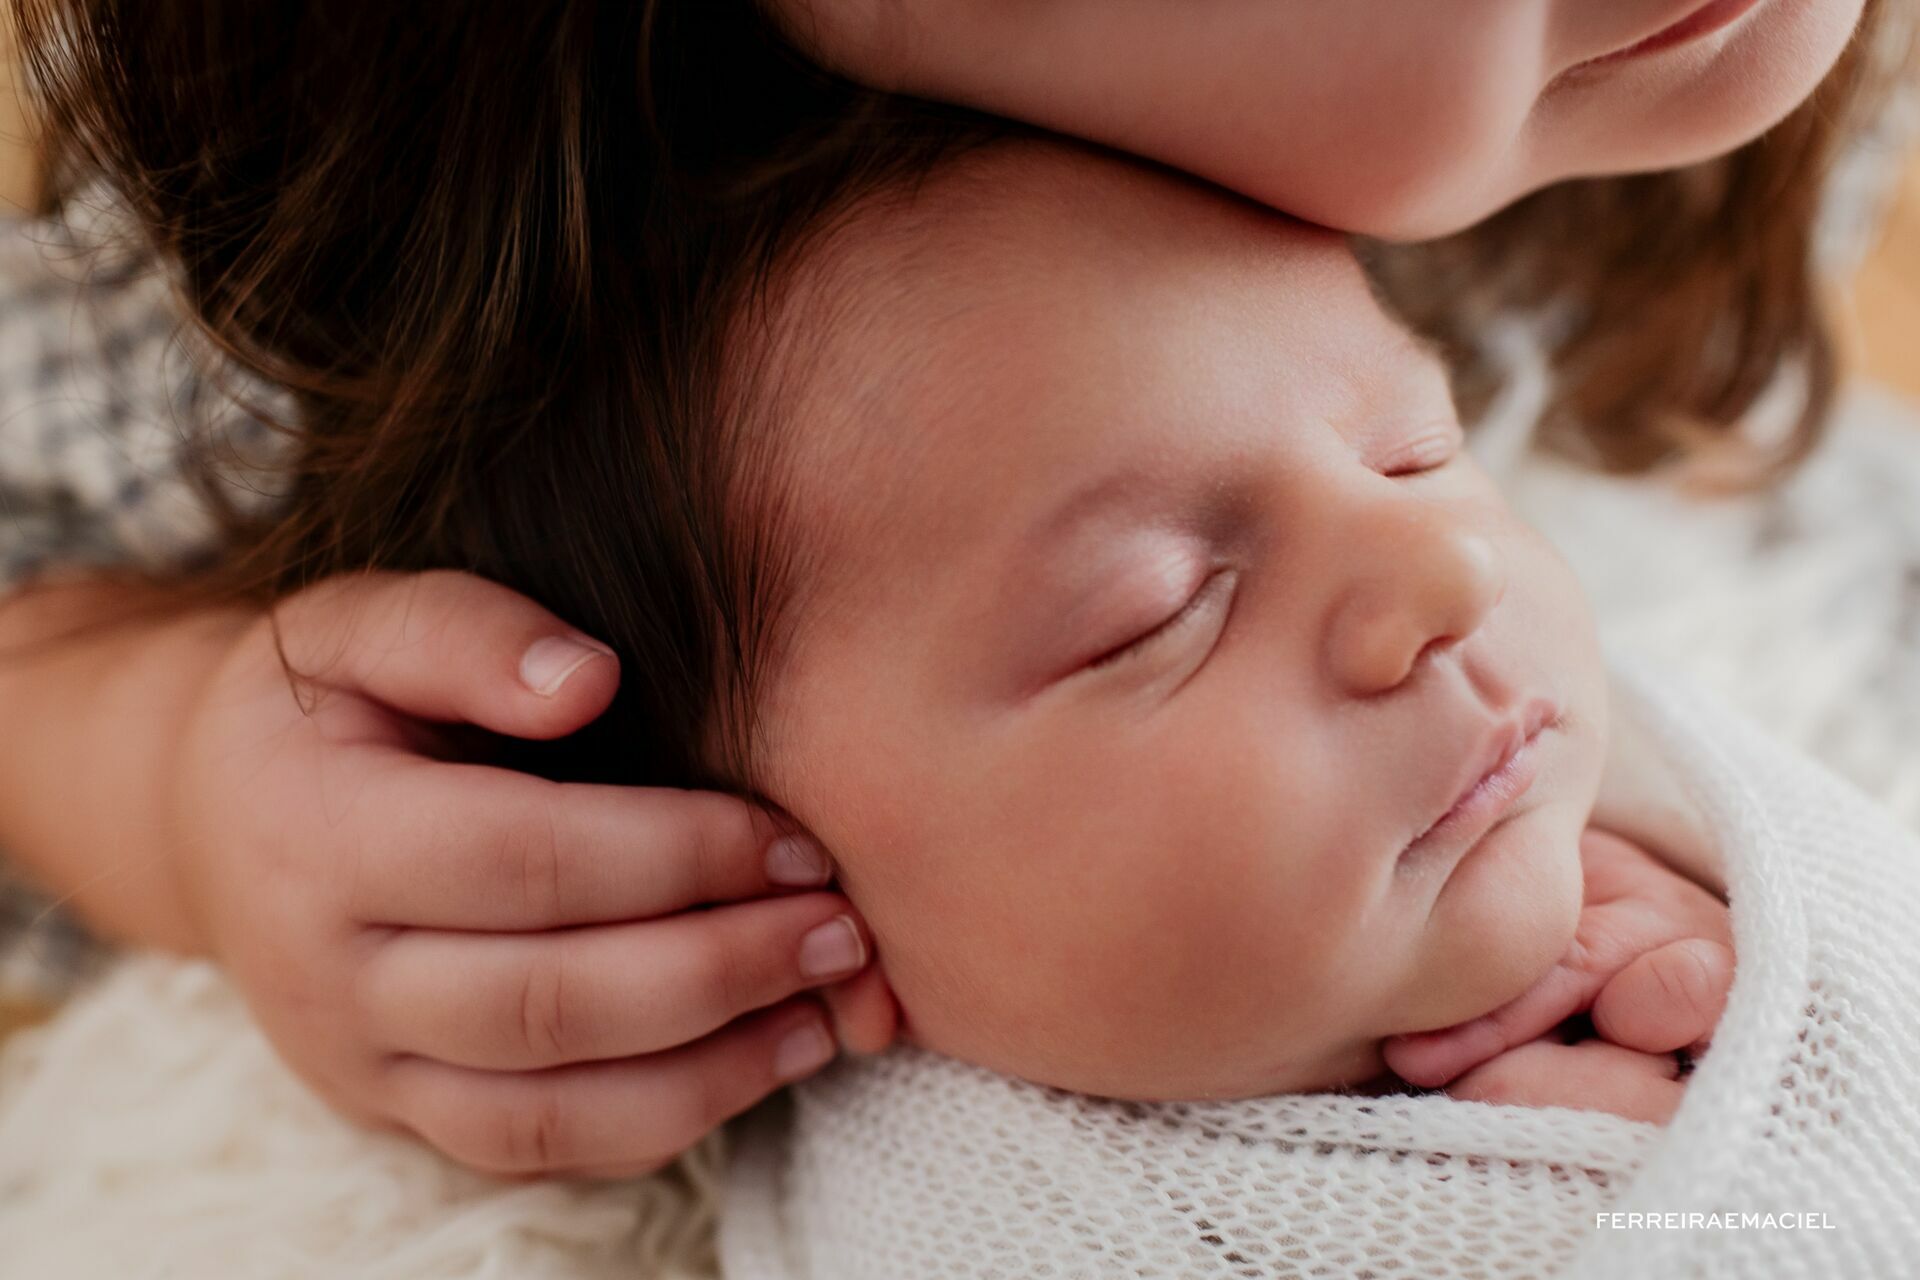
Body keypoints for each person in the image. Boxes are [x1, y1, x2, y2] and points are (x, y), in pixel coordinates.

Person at [0, 0, 1895, 1175]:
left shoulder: (1706, 111)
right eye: (1156, 607)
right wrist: (174, 781)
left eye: (1425, 446)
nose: (1454, 558)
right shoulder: (371, 274)